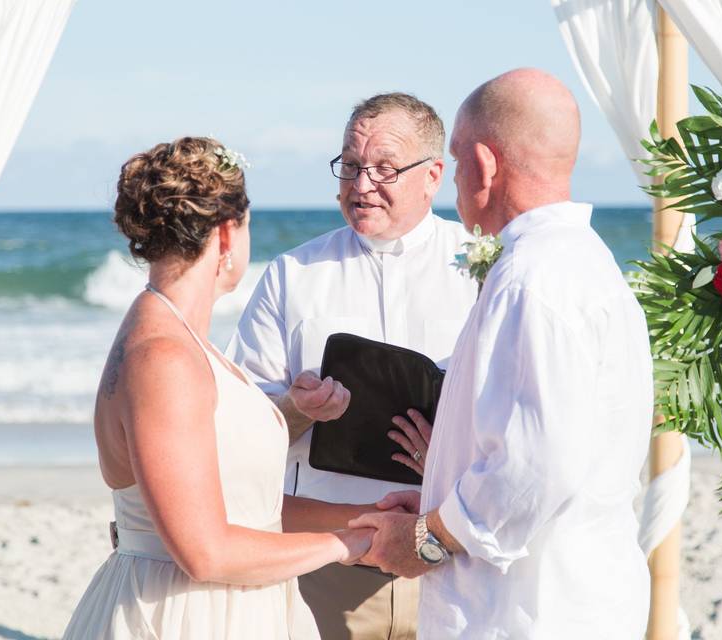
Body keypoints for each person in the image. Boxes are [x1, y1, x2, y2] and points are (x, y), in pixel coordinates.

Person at [349, 69, 654, 638]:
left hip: (527, 612)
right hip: (572, 594)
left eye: (459, 163)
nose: (457, 182)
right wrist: (436, 492)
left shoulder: (533, 278)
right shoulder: (586, 260)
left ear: (485, 167)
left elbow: (539, 462)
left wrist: (429, 540)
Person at [62, 137, 375, 640]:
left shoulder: (179, 341)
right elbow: (205, 551)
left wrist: (367, 517)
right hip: (183, 615)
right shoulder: (163, 357)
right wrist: (346, 545)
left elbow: (246, 506)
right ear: (227, 235)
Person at [227, 94, 477, 638]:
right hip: (326, 562)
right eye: (351, 165)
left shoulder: (484, 267)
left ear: (433, 175)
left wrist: (452, 456)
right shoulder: (293, 274)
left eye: (384, 168)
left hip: (452, 558)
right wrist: (296, 409)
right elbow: (238, 428)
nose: (361, 184)